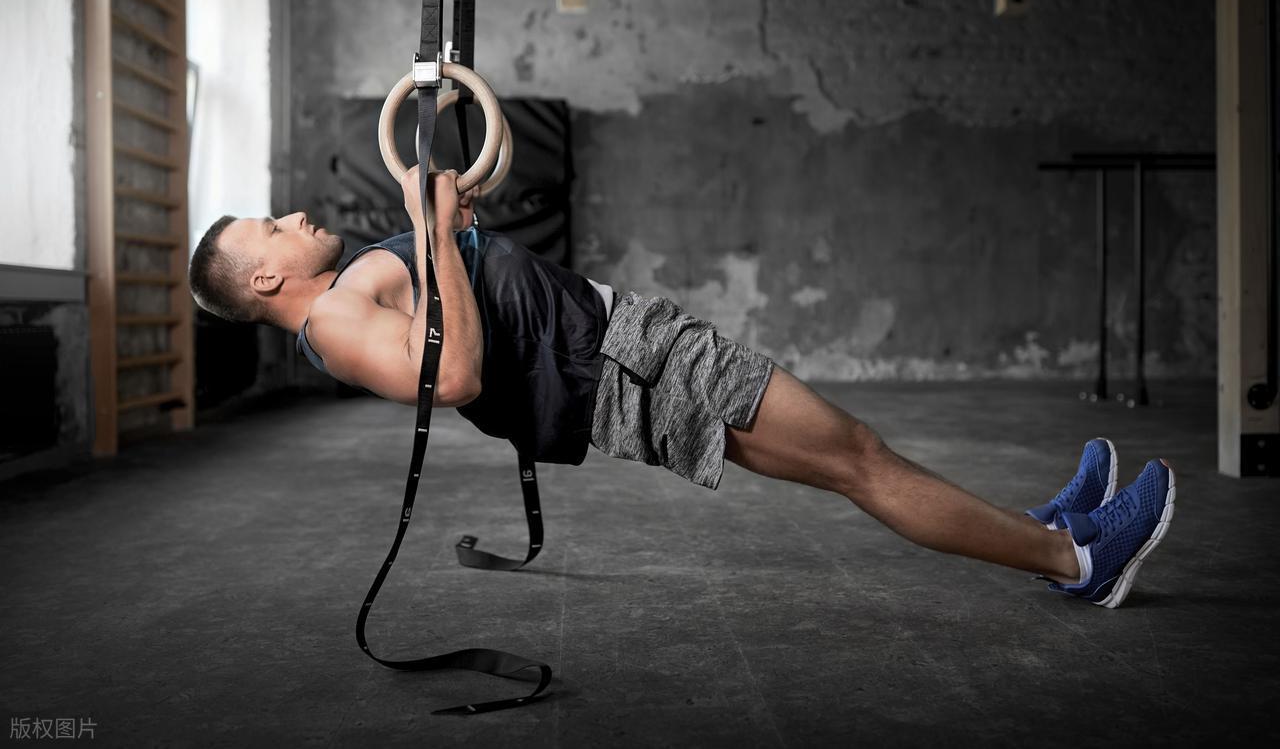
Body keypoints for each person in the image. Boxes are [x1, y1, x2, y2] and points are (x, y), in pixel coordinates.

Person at [188, 167, 1175, 609]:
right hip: (626, 369)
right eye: (271, 229)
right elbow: (454, 374)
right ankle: (1074, 560)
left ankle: (1042, 533)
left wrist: (456, 229)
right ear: (265, 280)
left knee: (854, 456)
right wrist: (437, 230)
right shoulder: (333, 319)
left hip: (624, 347)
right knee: (857, 459)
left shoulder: (348, 291)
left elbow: (462, 308)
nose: (293, 217)